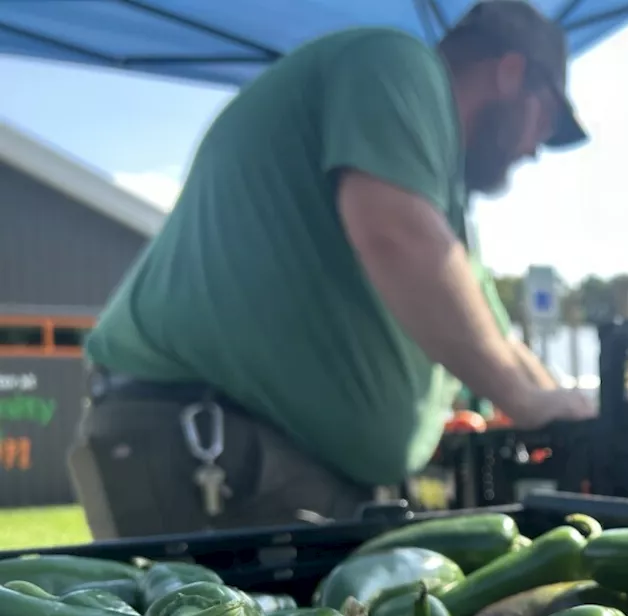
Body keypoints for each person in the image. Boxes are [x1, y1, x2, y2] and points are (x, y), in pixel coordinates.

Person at [69, 1, 596, 539]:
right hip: (205, 448)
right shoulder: (395, 64)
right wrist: (525, 400)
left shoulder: (441, 199)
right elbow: (394, 233)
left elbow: (494, 332)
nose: (534, 152)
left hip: (263, 460)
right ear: (511, 73)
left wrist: (564, 404)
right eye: (546, 122)